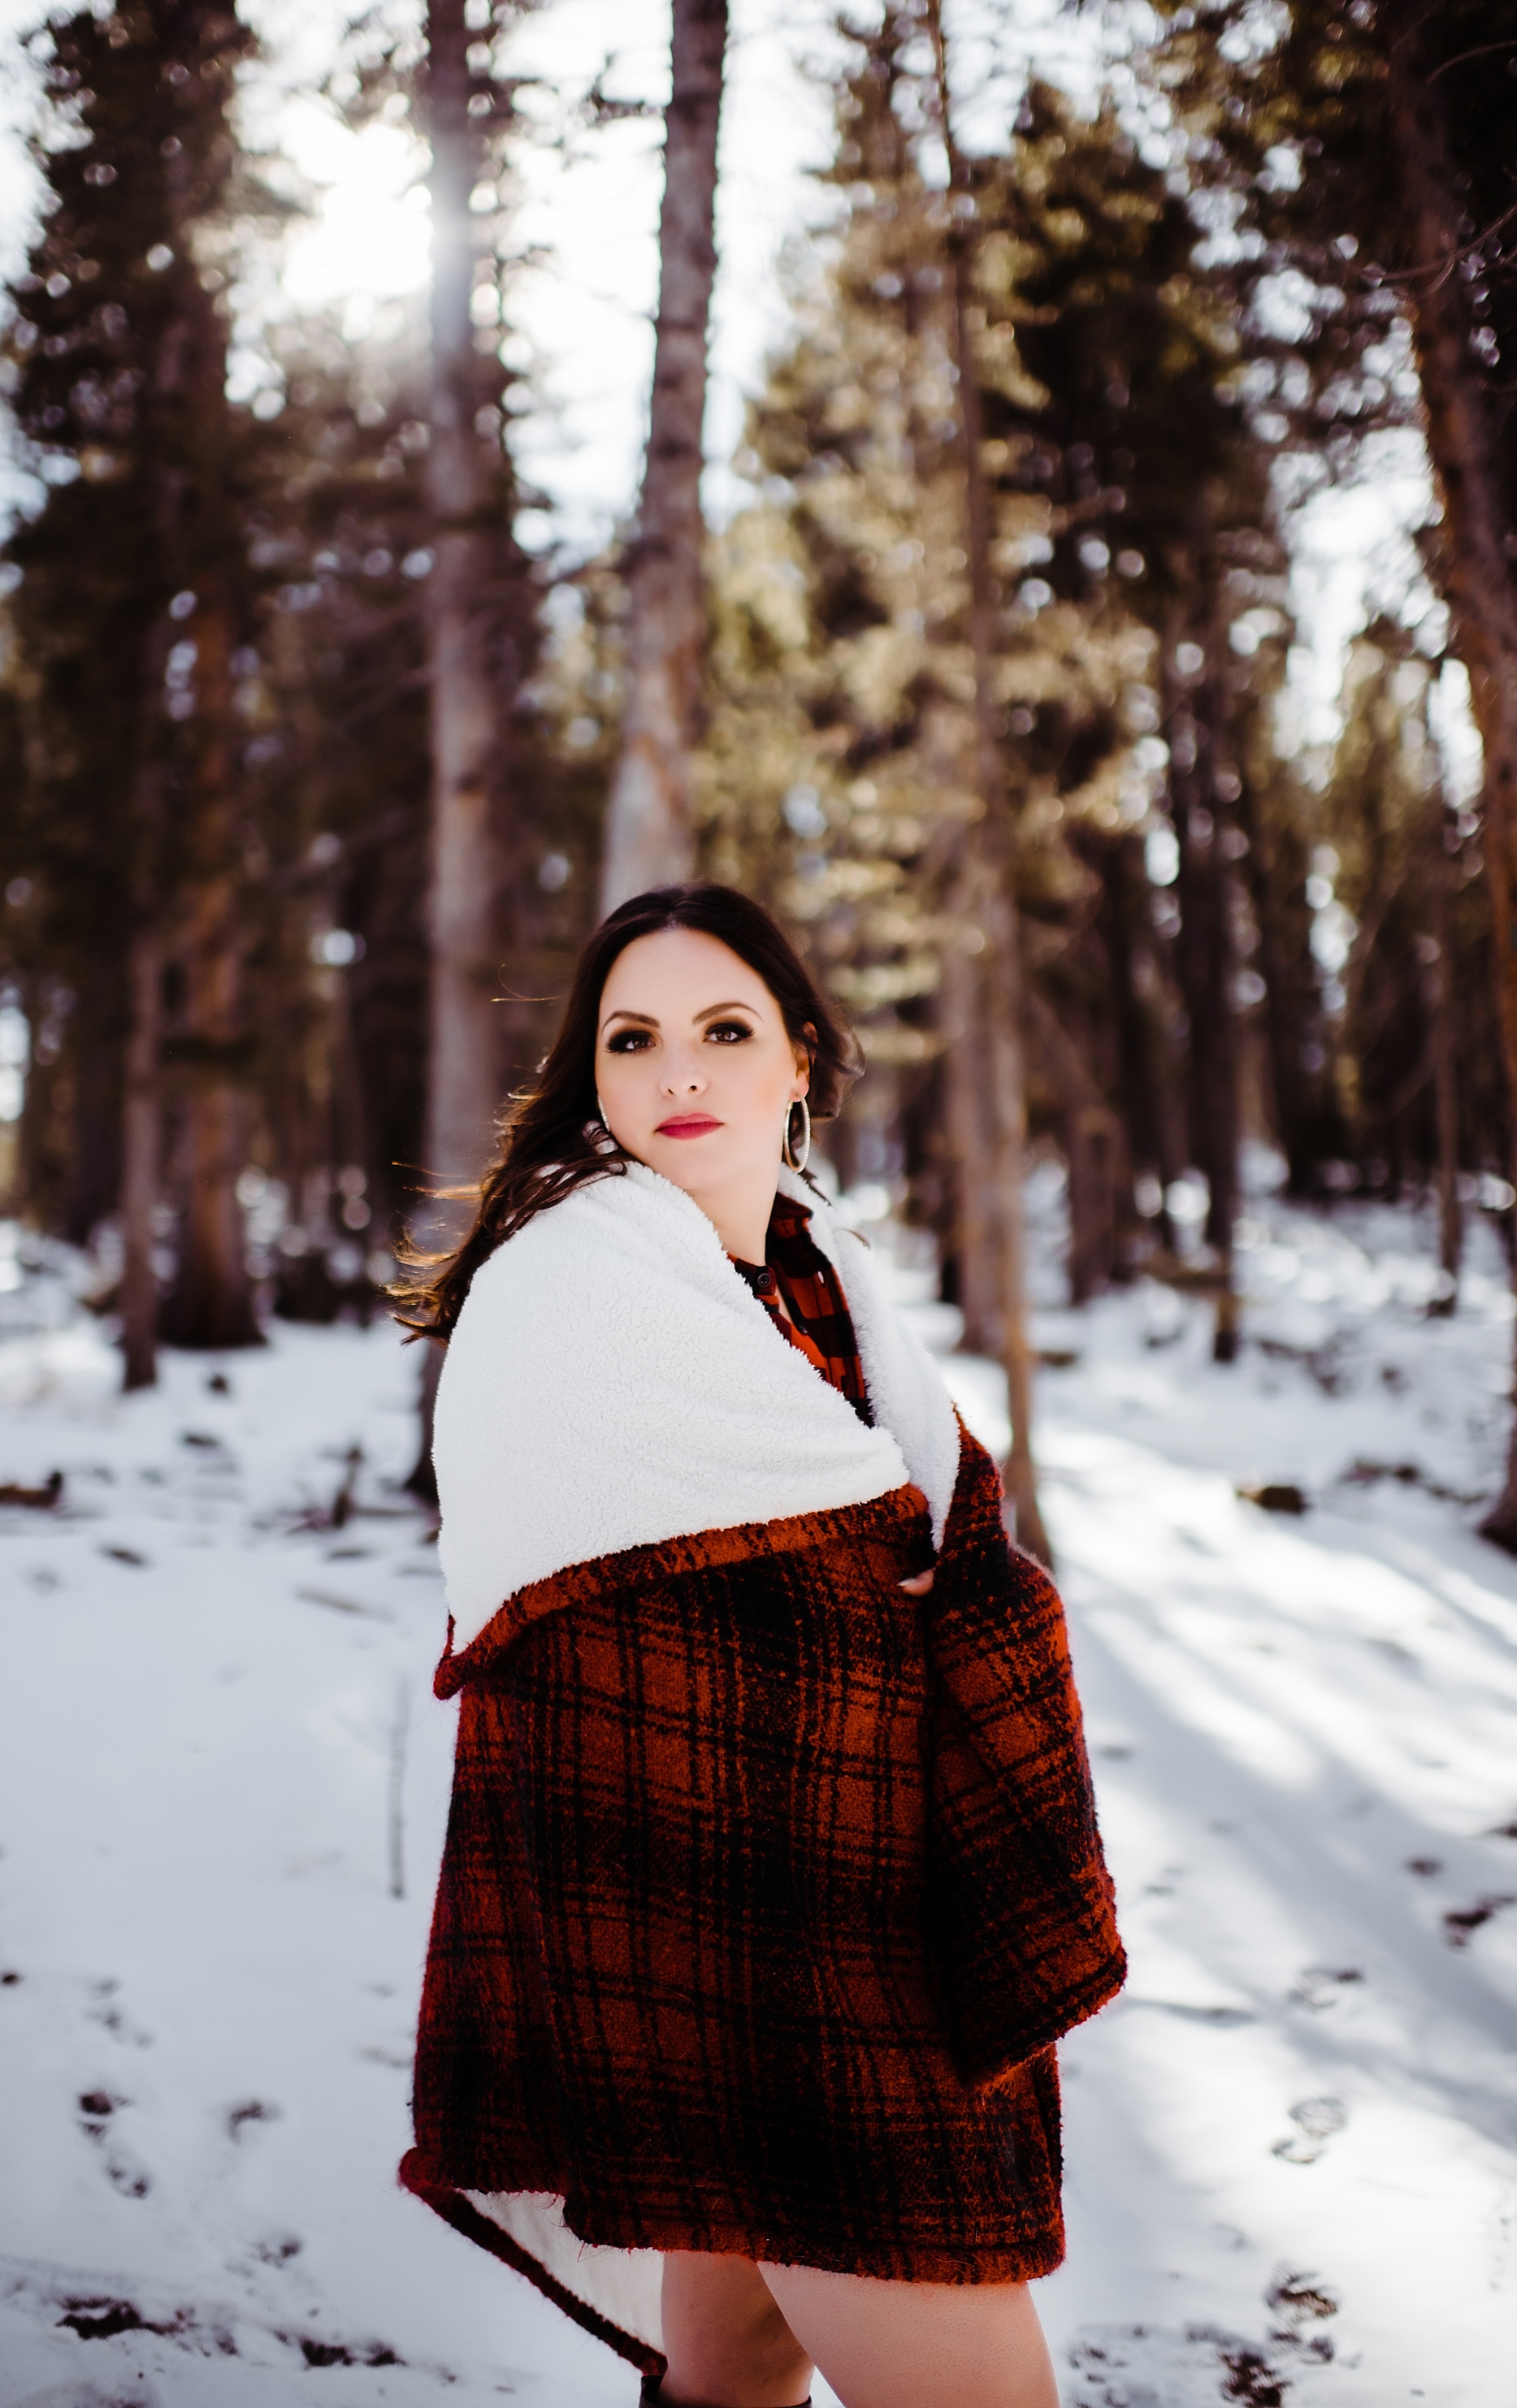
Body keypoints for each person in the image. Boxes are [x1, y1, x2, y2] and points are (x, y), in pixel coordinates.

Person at [394, 883, 1124, 2408]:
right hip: (686, 1909)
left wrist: (950, 1588)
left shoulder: (819, 1273)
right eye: (633, 1039)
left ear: (799, 1059)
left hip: (862, 1895)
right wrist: (889, 1592)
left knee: (739, 2352)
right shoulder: (565, 1291)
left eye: (725, 1032)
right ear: (591, 1080)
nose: (679, 1075)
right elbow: (591, 1653)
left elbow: (932, 1536)